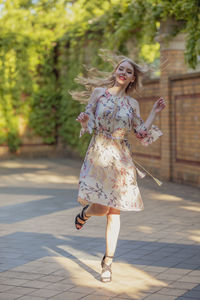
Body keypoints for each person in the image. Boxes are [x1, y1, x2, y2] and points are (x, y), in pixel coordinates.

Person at [70, 50, 166, 283]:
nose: (123, 73)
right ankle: (86, 212)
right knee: (101, 209)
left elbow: (141, 133)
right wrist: (84, 121)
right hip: (99, 155)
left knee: (114, 212)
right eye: (121, 68)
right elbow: (89, 121)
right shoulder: (98, 94)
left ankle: (107, 263)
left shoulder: (132, 103)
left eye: (129, 71)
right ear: (115, 72)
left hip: (121, 160)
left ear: (132, 78)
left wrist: (154, 113)